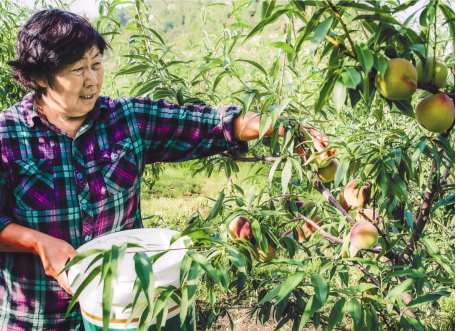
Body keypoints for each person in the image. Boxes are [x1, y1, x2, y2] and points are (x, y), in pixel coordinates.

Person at [0, 9, 284, 330]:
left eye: (96, 64)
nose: (92, 79)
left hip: (127, 310)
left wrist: (280, 126)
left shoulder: (126, 119)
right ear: (39, 77)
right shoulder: (8, 136)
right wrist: (37, 242)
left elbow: (209, 125)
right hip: (40, 315)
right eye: (78, 69)